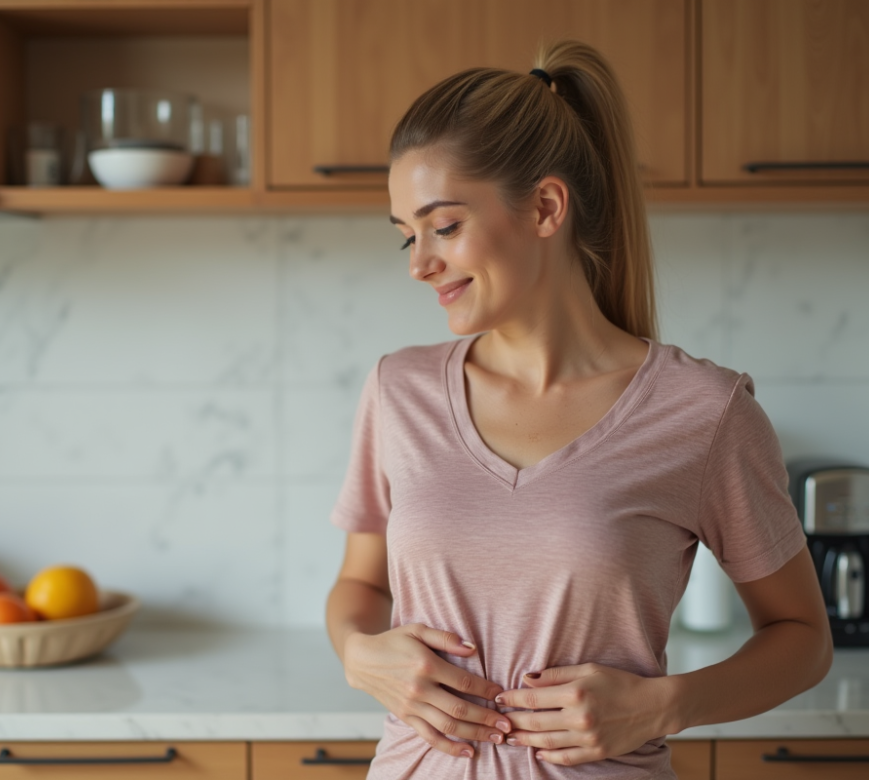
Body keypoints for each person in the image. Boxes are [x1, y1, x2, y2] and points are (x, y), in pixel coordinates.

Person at [324, 40, 834, 780]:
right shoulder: (397, 392)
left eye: (444, 226)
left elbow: (803, 637)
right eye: (407, 234)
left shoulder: (704, 413)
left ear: (545, 207)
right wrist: (359, 653)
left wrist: (664, 705)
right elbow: (359, 587)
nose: (418, 262)